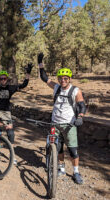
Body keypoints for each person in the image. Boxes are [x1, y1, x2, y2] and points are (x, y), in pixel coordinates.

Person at [37, 53, 86, 184]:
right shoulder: (57, 87)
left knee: (72, 150)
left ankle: (76, 172)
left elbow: (81, 105)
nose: (62, 80)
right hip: (55, 123)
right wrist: (40, 63)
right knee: (58, 148)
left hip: (69, 124)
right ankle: (61, 168)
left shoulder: (75, 90)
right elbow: (44, 77)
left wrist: (80, 117)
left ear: (69, 78)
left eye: (65, 78)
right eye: (60, 78)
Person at [0, 61, 33, 164]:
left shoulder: (11, 88)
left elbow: (24, 85)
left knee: (10, 133)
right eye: (1, 78)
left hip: (6, 112)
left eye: (4, 78)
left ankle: (12, 154)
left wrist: (28, 72)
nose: (2, 80)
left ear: (7, 79)